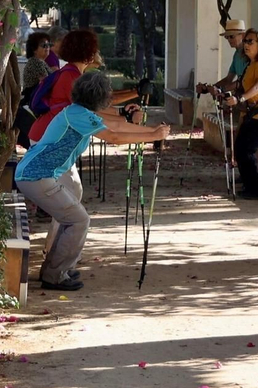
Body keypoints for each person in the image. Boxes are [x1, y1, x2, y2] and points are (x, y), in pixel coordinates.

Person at [16, 69, 170, 291]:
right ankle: (55, 274)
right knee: (78, 220)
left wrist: (152, 131)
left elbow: (116, 126)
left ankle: (55, 270)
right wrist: (153, 136)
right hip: (36, 175)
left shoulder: (79, 112)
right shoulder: (78, 115)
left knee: (70, 218)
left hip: (38, 174)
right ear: (100, 97)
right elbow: (114, 137)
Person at [28, 29, 142, 144]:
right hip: (47, 136)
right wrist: (125, 116)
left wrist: (123, 113)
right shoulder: (71, 77)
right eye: (93, 50)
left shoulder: (72, 73)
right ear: (87, 53)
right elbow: (93, 112)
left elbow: (96, 107)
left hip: (53, 135)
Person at [220, 29, 258, 199]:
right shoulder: (250, 64)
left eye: (250, 41)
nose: (246, 44)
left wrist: (240, 99)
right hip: (251, 113)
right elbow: (240, 85)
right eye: (245, 41)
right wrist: (223, 92)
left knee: (247, 150)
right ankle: (250, 185)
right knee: (240, 148)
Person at [195, 19, 249, 98]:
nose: (229, 40)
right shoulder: (236, 55)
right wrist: (208, 88)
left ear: (243, 35)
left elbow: (243, 81)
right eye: (227, 37)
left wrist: (221, 89)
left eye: (232, 36)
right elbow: (228, 79)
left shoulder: (248, 54)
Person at [22, 30, 57, 94]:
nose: (47, 47)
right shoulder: (36, 62)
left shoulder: (40, 61)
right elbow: (48, 83)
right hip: (35, 101)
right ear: (34, 49)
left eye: (48, 45)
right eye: (43, 45)